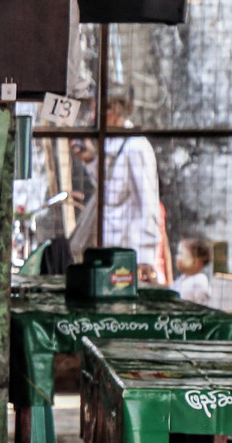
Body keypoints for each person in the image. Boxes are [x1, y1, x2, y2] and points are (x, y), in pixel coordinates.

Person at [65, 94, 173, 284]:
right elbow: (110, 191)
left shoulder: (136, 146)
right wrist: (91, 160)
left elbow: (148, 204)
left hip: (130, 253)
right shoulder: (114, 143)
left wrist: (145, 257)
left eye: (98, 111)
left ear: (114, 111)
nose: (93, 118)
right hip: (110, 246)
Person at [171, 236, 216, 307]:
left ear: (196, 261)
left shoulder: (200, 281)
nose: (177, 258)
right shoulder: (182, 278)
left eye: (181, 254)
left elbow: (201, 308)